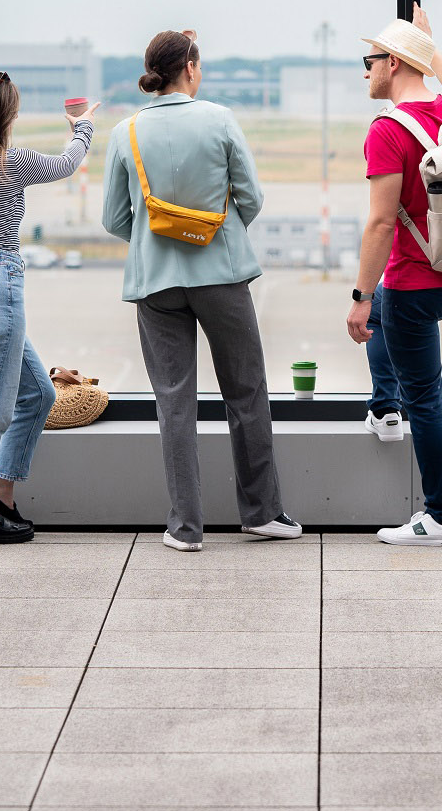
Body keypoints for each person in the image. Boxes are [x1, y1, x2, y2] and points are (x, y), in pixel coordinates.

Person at [102, 29, 300, 551]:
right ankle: (261, 512)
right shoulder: (219, 119)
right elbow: (251, 198)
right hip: (222, 273)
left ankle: (185, 528)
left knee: (174, 403)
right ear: (189, 68)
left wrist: (156, 238)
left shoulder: (125, 132)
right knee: (246, 392)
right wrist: (217, 233)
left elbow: (114, 219)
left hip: (155, 282)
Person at [0, 69, 99, 544]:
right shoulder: (10, 161)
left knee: (37, 394)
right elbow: (67, 165)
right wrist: (83, 125)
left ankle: (0, 494)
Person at [347, 5, 442, 546]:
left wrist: (359, 296)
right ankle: (383, 408)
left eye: (370, 60)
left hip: (413, 283)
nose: (366, 71)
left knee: (424, 399)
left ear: (396, 63)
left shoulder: (386, 130)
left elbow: (381, 223)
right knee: (388, 316)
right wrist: (431, 46)